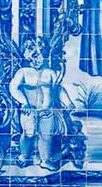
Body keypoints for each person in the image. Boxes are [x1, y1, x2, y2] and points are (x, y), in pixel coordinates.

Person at [9, 38, 74, 170]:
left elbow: (58, 89)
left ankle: (45, 160)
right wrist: (24, 102)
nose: (37, 59)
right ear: (27, 56)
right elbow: (13, 88)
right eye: (33, 55)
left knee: (46, 136)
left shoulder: (50, 73)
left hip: (47, 112)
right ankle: (24, 156)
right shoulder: (23, 73)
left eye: (40, 54)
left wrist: (68, 102)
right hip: (29, 111)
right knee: (29, 134)